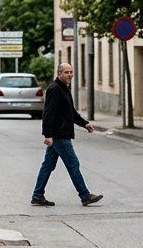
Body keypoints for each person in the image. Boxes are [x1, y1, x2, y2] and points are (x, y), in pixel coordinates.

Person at [31, 63, 104, 207]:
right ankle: (85, 195)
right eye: (66, 72)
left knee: (48, 165)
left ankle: (37, 195)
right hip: (59, 135)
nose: (70, 75)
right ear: (59, 74)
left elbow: (71, 112)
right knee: (73, 164)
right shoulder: (55, 89)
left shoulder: (64, 88)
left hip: (61, 133)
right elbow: (48, 114)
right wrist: (48, 134)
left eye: (71, 72)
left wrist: (84, 123)